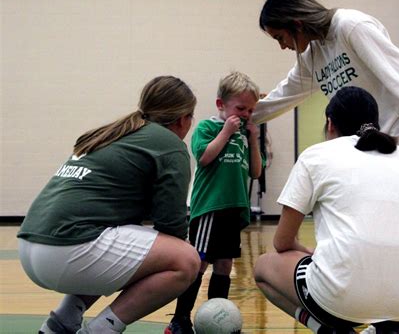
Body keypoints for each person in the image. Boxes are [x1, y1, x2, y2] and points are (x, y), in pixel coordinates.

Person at [17, 76, 201, 334]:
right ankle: (102, 329)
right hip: (66, 249)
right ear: (183, 119)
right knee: (186, 260)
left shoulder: (115, 132)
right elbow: (172, 226)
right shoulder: (170, 146)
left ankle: (60, 322)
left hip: (29, 245)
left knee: (134, 251)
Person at [254, 86, 399, 334]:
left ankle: (330, 331)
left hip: (339, 299)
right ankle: (393, 328)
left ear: (330, 124)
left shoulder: (315, 155)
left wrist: (310, 253)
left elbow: (282, 242)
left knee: (263, 267)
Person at [253, 0, 399, 218]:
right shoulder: (312, 56)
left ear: (297, 24)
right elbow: (283, 95)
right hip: (372, 148)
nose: (282, 47)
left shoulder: (350, 26)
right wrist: (243, 117)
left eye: (280, 38)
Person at [166, 71, 263, 334]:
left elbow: (256, 172)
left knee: (225, 265)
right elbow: (204, 157)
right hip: (211, 208)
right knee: (199, 263)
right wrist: (226, 132)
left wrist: (253, 139)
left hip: (234, 209)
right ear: (221, 105)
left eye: (250, 110)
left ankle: (216, 320)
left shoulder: (244, 135)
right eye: (240, 108)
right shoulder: (208, 127)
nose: (245, 114)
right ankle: (179, 319)